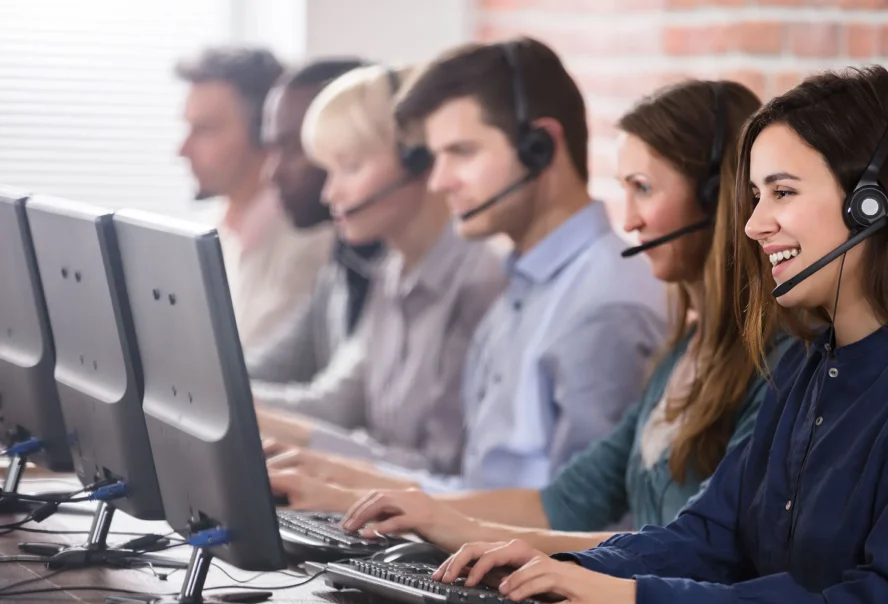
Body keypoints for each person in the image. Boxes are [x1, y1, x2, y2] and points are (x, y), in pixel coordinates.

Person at [433, 66, 888, 604]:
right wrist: (563, 564)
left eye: (783, 192)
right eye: (755, 196)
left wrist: (640, 601)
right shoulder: (812, 368)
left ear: (870, 205)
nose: (752, 224)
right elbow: (710, 536)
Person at [288, 80, 780, 558]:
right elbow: (562, 501)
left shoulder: (773, 365)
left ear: (721, 197)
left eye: (644, 189)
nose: (628, 220)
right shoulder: (685, 353)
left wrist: (459, 530)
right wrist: (415, 513)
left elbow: (697, 549)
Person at [266, 38, 668, 501]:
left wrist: (349, 489)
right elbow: (474, 490)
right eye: (437, 158)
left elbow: (588, 524)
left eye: (462, 152)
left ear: (541, 147)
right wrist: (337, 476)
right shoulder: (521, 293)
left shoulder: (603, 303)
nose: (438, 181)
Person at [255, 64, 507, 477]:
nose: (329, 192)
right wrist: (216, 395)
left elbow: (446, 470)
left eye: (349, 168)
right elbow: (335, 404)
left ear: (418, 162)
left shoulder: (482, 283)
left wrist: (314, 456)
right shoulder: (392, 271)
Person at [176, 47, 334, 352]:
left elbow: (244, 370)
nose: (182, 149)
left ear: (265, 132)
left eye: (205, 130)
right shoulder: (210, 233)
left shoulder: (311, 247)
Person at [245, 58, 388, 391]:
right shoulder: (345, 259)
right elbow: (273, 364)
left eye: (295, 149)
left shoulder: (399, 272)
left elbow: (335, 404)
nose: (272, 173)